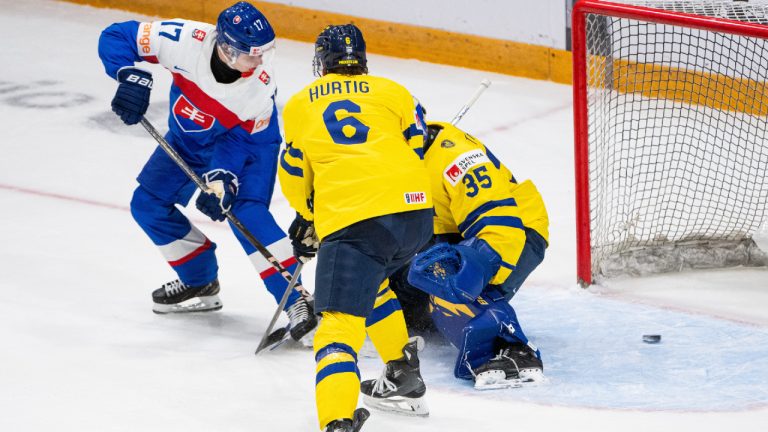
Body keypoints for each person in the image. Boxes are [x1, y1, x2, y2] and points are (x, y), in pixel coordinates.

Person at [97, 2, 316, 341]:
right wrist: (129, 75)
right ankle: (199, 279)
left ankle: (295, 298)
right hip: (190, 138)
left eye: (264, 52)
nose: (260, 61)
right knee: (147, 203)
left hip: (250, 143)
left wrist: (222, 179)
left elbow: (240, 142)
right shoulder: (182, 40)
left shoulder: (258, 86)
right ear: (226, 49)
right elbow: (116, 36)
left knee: (245, 212)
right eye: (252, 54)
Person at [278, 24, 433, 432]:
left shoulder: (299, 104)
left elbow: (295, 170)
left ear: (322, 61)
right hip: (416, 215)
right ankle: (403, 373)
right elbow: (416, 145)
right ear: (362, 59)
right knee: (374, 283)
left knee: (337, 326)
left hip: (356, 221)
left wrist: (308, 218)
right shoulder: (394, 91)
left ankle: (337, 421)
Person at [392, 121, 550, 389]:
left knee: (452, 287)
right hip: (456, 232)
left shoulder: (459, 160)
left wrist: (468, 279)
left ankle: (513, 349)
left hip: (515, 232)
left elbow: (500, 229)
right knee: (401, 296)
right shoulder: (397, 157)